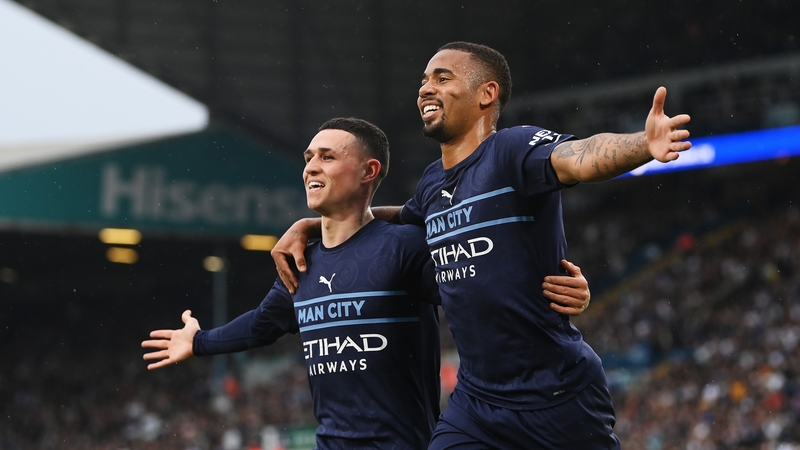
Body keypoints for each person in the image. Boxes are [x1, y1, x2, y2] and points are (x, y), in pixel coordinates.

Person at [271, 42, 692, 449]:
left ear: (486, 94)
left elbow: (576, 157)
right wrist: (315, 224)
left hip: (556, 393)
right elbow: (392, 219)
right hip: (477, 402)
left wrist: (642, 144)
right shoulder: (432, 183)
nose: (425, 88)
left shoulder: (510, 150)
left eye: (442, 77)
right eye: (423, 80)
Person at [142, 117, 592, 449]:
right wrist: (199, 342)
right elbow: (263, 324)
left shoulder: (405, 247)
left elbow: (475, 285)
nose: (310, 167)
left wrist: (557, 287)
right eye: (308, 158)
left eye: (327, 156)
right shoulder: (302, 260)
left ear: (368, 172)